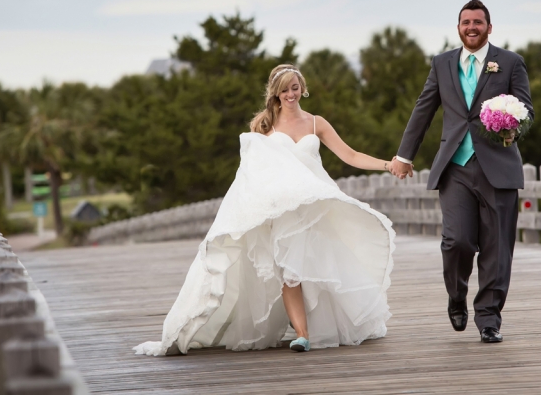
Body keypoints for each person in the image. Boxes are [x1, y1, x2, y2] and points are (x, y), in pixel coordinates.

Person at [134, 64, 396, 355]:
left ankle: (330, 324)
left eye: (294, 87)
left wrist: (388, 164)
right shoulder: (263, 128)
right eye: (284, 89)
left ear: (302, 87)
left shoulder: (315, 123)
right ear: (275, 93)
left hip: (314, 207)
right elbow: (252, 174)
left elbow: (350, 155)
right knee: (289, 271)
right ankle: (302, 334)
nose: (290, 94)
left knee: (322, 264)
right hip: (281, 211)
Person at [389, 0, 534, 343]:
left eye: (478, 22)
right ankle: (457, 295)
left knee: (498, 245)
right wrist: (404, 155)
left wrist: (513, 127)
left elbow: (526, 109)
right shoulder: (442, 64)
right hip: (454, 166)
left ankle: (488, 319)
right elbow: (423, 109)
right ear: (458, 27)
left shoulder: (511, 63)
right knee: (457, 240)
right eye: (466, 22)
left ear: (489, 27)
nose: (472, 27)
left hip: (498, 167)